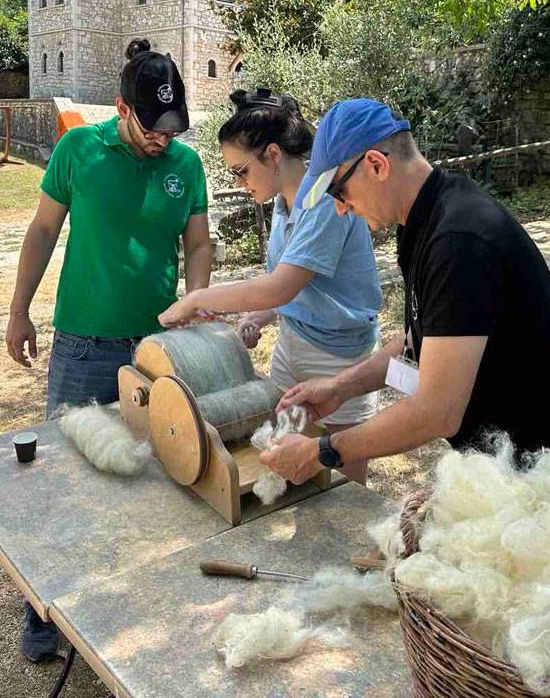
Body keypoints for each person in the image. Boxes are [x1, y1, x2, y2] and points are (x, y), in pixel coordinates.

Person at [259, 98, 550, 484]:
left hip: (547, 461)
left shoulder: (457, 241)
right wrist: (341, 388)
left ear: (376, 165)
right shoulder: (423, 220)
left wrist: (322, 451)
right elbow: (420, 340)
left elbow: (438, 411)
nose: (341, 208)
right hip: (505, 457)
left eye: (339, 192)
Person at [5, 39, 212, 662]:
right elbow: (44, 229)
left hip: (156, 352)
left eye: (172, 128)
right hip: (83, 347)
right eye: (152, 128)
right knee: (62, 482)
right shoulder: (78, 150)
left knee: (154, 480)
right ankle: (43, 619)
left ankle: (123, 610)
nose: (163, 140)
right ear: (122, 110)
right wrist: (18, 311)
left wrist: (195, 305)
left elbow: (197, 245)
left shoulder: (187, 164)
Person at [159, 88, 383, 484]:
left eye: (242, 170)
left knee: (343, 485)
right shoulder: (283, 203)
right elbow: (293, 288)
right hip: (292, 347)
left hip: (340, 361)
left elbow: (280, 287)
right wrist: (257, 317)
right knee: (286, 468)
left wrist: (195, 299)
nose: (240, 182)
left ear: (273, 154)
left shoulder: (325, 202)